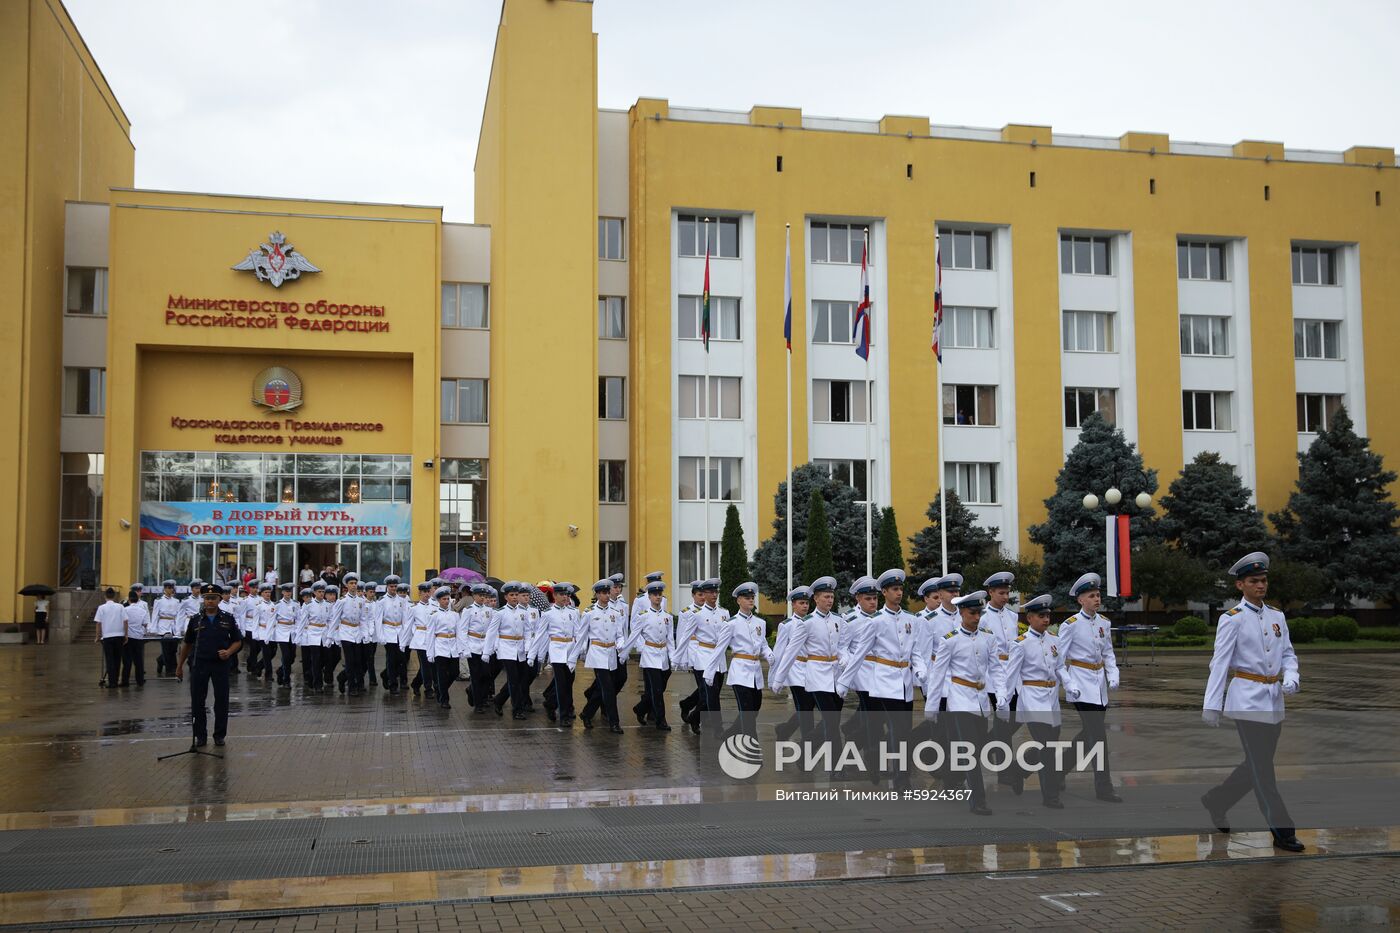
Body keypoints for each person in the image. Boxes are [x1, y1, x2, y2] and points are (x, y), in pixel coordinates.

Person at [1201, 552, 1305, 852]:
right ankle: (1283, 831)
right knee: (1263, 771)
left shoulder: (1277, 616)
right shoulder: (1232, 619)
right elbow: (1219, 664)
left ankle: (1216, 800)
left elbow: (1288, 653)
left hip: (1273, 701)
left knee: (1256, 766)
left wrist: (1292, 676)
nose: (1261, 585)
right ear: (1240, 585)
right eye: (1254, 581)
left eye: (1263, 580)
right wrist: (1212, 704)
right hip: (1246, 700)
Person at [924, 589, 1001, 815]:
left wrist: (1002, 697)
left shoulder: (988, 637)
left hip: (981, 701)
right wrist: (932, 706)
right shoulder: (950, 641)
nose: (977, 617)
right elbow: (938, 675)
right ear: (961, 613)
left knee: (970, 749)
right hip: (959, 701)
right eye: (972, 613)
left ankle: (949, 779)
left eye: (979, 613)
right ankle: (978, 800)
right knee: (969, 751)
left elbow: (996, 669)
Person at [840, 569, 917, 787]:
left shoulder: (897, 619)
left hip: (890, 677)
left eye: (875, 598)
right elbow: (845, 649)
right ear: (858, 598)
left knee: (885, 724)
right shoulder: (852, 620)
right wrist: (846, 671)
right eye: (869, 598)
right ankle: (875, 758)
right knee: (876, 723)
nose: (873, 602)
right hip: (865, 677)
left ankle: (876, 756)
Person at [1058, 572, 1123, 803]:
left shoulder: (1104, 622)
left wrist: (1113, 673)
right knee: (1098, 736)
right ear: (1080, 600)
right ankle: (1104, 787)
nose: (1097, 599)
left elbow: (1108, 653)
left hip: (1099, 686)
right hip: (1081, 685)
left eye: (1098, 595)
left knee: (1089, 735)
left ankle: (1058, 772)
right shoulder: (1071, 625)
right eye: (1091, 596)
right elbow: (1059, 661)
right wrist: (1069, 684)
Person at [997, 593, 1066, 808]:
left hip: (1051, 698)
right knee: (1046, 746)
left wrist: (1071, 685)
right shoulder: (1020, 644)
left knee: (1050, 744)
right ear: (1030, 618)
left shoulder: (1055, 641)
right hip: (1032, 697)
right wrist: (1005, 699)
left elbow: (1060, 667)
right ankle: (1050, 796)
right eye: (1041, 615)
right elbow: (1011, 674)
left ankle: (1018, 771)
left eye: (1047, 615)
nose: (1046, 619)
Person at [175, 583, 243, 747]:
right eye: (207, 598)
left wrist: (229, 651)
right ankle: (200, 736)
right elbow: (187, 644)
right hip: (199, 664)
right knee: (197, 701)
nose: (209, 601)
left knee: (221, 700)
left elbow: (238, 641)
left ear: (219, 600)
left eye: (213, 598)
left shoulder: (227, 618)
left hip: (220, 665)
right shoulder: (195, 620)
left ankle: (219, 735)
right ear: (203, 600)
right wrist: (179, 666)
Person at [707, 582, 771, 739]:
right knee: (747, 712)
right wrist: (709, 672)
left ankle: (731, 733)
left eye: (752, 598)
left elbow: (763, 644)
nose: (751, 600)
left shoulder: (760, 623)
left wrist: (769, 654)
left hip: (755, 672)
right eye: (747, 598)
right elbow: (719, 649)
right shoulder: (731, 624)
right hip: (740, 672)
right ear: (739, 601)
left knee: (755, 708)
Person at [574, 580, 625, 733]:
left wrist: (621, 644)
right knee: (608, 689)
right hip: (597, 653)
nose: (606, 595)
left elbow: (620, 634)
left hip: (611, 654)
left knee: (603, 689)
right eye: (603, 593)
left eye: (608, 592)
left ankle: (587, 713)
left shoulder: (615, 613)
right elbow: (581, 636)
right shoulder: (589, 613)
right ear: (597, 594)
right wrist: (574, 657)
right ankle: (614, 722)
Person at [623, 579, 674, 731]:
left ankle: (640, 708)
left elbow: (670, 638)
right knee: (657, 690)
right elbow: (634, 635)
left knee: (657, 688)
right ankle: (661, 720)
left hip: (663, 655)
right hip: (650, 655)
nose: (658, 597)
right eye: (655, 595)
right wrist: (624, 652)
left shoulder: (668, 617)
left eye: (660, 594)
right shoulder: (643, 616)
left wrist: (674, 656)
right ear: (649, 597)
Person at [802, 576, 844, 748]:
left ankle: (805, 752)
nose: (830, 600)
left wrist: (845, 657)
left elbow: (843, 645)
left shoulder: (838, 620)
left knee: (833, 720)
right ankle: (836, 768)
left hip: (836, 675)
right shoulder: (807, 623)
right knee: (831, 721)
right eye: (826, 597)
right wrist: (778, 678)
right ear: (816, 598)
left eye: (832, 597)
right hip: (817, 675)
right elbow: (790, 652)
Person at [769, 585, 813, 743]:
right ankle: (808, 742)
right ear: (793, 605)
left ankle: (784, 730)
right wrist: (774, 678)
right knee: (805, 707)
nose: (805, 606)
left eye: (806, 603)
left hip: (812, 669)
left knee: (808, 706)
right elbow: (779, 652)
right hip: (795, 669)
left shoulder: (812, 621)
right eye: (801, 603)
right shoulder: (786, 625)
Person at [485, 582, 530, 719]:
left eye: (516, 595)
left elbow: (527, 631)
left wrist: (528, 646)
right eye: (512, 595)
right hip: (506, 648)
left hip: (520, 649)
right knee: (513, 680)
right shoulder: (500, 613)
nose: (515, 597)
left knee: (521, 679)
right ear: (506, 597)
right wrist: (487, 651)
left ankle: (499, 700)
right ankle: (517, 709)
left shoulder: (524, 612)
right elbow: (491, 632)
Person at [538, 583, 580, 724]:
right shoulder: (548, 614)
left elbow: (578, 632)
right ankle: (563, 716)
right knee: (561, 684)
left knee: (569, 682)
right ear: (554, 596)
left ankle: (553, 705)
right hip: (556, 650)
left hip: (570, 650)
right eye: (561, 595)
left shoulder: (573, 612)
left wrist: (581, 650)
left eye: (566, 595)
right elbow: (541, 635)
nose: (565, 597)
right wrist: (536, 654)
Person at [427, 586, 461, 708]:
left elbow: (460, 633)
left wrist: (461, 648)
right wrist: (430, 653)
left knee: (455, 672)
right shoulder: (434, 615)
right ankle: (444, 699)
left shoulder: (455, 615)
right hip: (440, 647)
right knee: (441, 674)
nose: (447, 601)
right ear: (439, 601)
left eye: (448, 598)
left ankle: (440, 688)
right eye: (444, 599)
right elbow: (430, 635)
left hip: (453, 647)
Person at [377, 575, 411, 694]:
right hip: (388, 631)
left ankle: (387, 675)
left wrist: (406, 634)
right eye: (391, 586)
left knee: (401, 659)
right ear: (387, 587)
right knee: (391, 659)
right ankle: (393, 684)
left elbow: (406, 619)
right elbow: (378, 620)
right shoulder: (382, 601)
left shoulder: (402, 600)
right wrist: (380, 636)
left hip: (400, 632)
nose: (393, 588)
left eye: (395, 586)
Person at [94, 588, 126, 688]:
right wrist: (126, 635)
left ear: (105, 596)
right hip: (119, 636)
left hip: (107, 636)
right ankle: (115, 680)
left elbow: (98, 623)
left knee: (110, 660)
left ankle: (112, 683)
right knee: (117, 659)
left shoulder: (101, 608)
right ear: (114, 596)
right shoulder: (120, 606)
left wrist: (97, 636)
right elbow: (125, 621)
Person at [408, 581, 436, 698]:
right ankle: (428, 688)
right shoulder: (414, 608)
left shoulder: (435, 607)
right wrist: (415, 634)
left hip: (432, 638)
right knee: (425, 665)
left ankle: (415, 683)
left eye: (428, 591)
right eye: (424, 592)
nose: (427, 594)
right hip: (420, 639)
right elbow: (410, 625)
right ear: (419, 593)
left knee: (430, 665)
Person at [121, 585, 150, 687]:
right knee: (139, 661)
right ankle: (140, 681)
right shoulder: (143, 611)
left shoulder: (124, 610)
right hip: (138, 638)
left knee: (127, 661)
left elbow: (122, 623)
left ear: (129, 599)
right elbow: (145, 624)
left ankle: (125, 681)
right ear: (138, 599)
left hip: (127, 638)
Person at [152, 580, 181, 676]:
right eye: (168, 588)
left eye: (171, 588)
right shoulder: (159, 601)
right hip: (163, 625)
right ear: (164, 589)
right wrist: (153, 628)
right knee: (166, 648)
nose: (170, 590)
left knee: (173, 649)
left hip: (173, 625)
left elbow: (178, 616)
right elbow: (155, 615)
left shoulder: (176, 601)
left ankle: (160, 660)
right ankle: (170, 669)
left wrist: (179, 628)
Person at [272, 583, 299, 686]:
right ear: (282, 592)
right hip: (281, 631)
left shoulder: (296, 604)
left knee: (292, 656)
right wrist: (271, 634)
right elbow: (272, 620)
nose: (288, 593)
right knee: (286, 655)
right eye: (286, 591)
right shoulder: (277, 604)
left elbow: (298, 618)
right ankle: (286, 679)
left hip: (292, 631)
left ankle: (280, 671)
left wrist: (298, 631)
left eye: (290, 591)